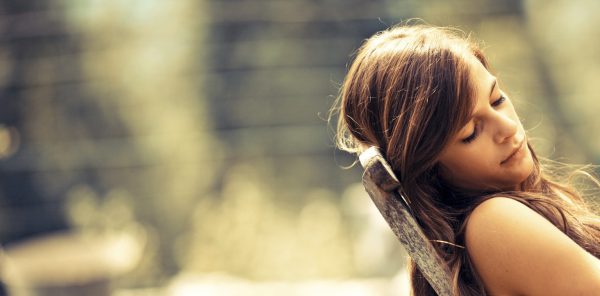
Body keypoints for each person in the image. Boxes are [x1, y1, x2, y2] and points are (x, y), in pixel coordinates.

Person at [333, 24, 600, 295]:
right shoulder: (494, 222)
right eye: (470, 133)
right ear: (428, 168)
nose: (507, 127)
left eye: (497, 100)